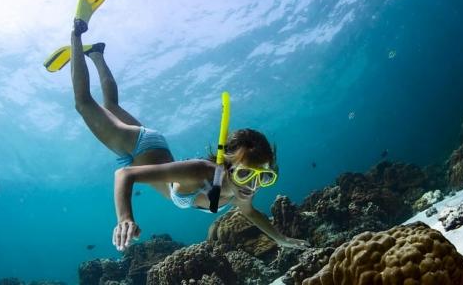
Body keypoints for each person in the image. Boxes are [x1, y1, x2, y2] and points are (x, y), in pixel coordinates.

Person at [69, 21, 309, 252]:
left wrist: (282, 239)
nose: (253, 186)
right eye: (245, 173)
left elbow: (251, 213)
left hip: (155, 150)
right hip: (139, 147)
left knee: (110, 105)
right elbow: (125, 174)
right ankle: (77, 34)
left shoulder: (241, 190)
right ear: (226, 166)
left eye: (263, 177)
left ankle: (97, 53)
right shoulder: (199, 172)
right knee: (84, 103)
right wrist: (125, 219)